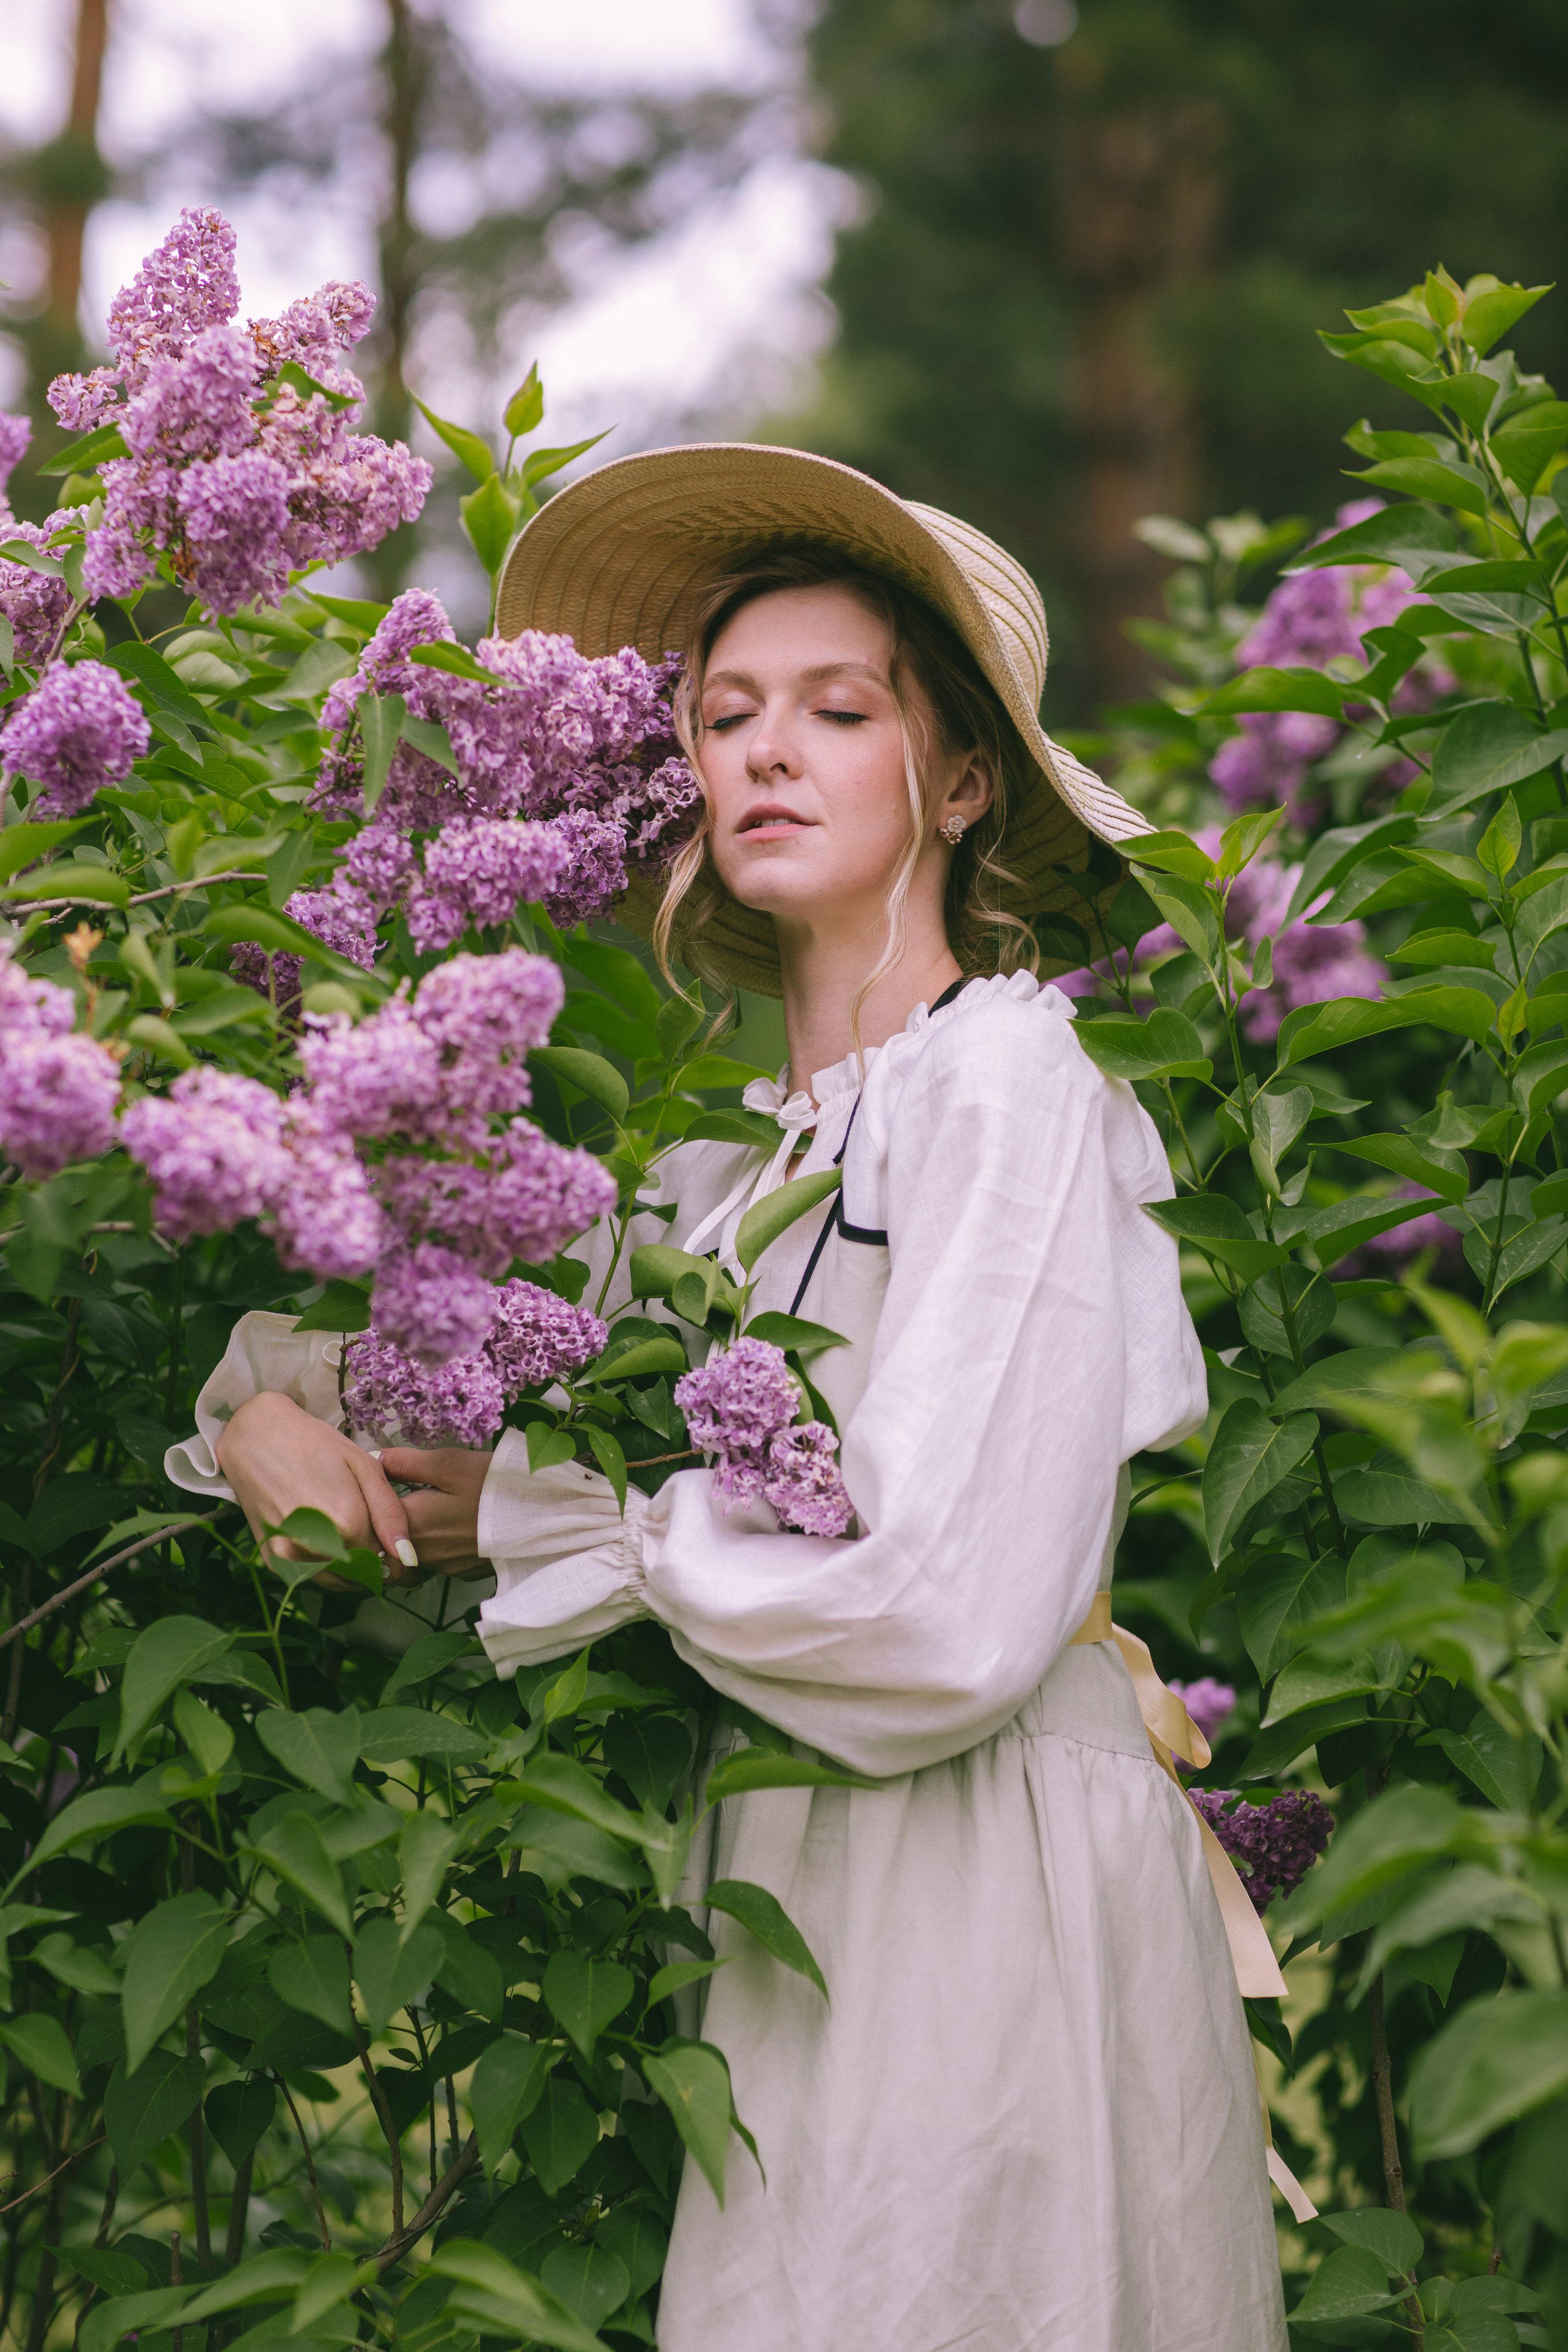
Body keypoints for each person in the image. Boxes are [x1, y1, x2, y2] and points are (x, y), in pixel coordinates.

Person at [168, 446, 1295, 2351]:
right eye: (722, 714)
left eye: (838, 711)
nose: (764, 751)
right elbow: (437, 1371)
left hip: (980, 1882)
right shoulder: (712, 1177)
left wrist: (571, 1527)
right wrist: (255, 1423)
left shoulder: (1008, 1081)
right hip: (784, 1879)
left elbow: (935, 1609)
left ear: (956, 783)